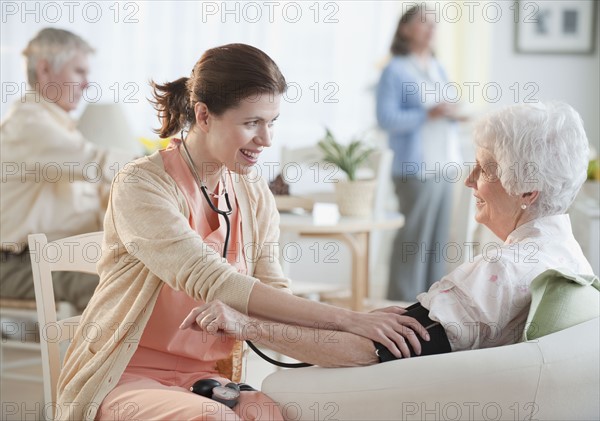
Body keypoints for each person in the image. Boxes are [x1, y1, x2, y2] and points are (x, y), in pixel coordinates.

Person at [56, 43, 430, 421]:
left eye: (272, 122)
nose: (266, 139)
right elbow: (215, 281)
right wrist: (350, 319)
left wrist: (363, 340)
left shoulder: (252, 192)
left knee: (273, 413)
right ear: (203, 115)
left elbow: (276, 297)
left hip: (204, 379)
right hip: (125, 376)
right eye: (252, 123)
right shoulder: (141, 185)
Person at [185, 101, 594, 365]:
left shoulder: (500, 272)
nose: (469, 180)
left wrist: (247, 326)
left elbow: (370, 353)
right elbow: (390, 335)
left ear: (527, 192)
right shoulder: (567, 255)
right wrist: (352, 319)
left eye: (485, 169)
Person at [0, 28, 134, 312]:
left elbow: (96, 196)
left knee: (139, 272)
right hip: (16, 265)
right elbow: (96, 164)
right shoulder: (29, 126)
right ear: (45, 69)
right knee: (114, 284)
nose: (87, 85)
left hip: (51, 256)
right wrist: (171, 161)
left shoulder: (59, 128)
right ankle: (110, 357)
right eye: (79, 72)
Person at [376, 5, 464, 301]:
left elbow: (445, 107)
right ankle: (401, 304)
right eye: (424, 23)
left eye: (434, 24)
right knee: (413, 240)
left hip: (443, 166)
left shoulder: (437, 67)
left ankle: (431, 305)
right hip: (415, 169)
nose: (431, 29)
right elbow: (386, 119)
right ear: (405, 29)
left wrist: (452, 113)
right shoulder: (395, 69)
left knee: (437, 242)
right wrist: (428, 115)